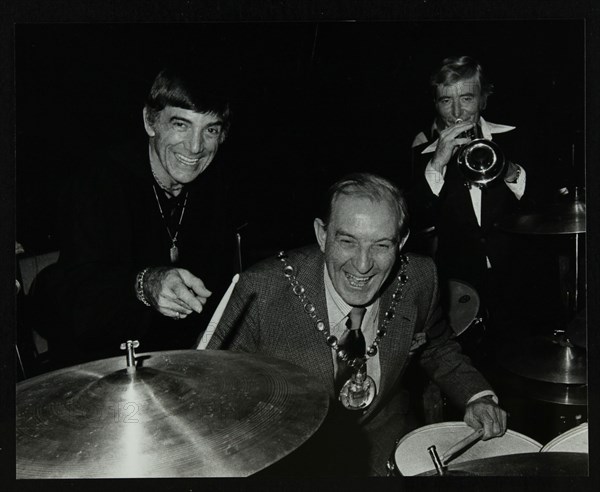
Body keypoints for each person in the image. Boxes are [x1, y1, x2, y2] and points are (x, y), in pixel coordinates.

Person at [204, 172, 507, 477]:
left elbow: (437, 346)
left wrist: (477, 396)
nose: (363, 265)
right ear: (322, 235)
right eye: (348, 241)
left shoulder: (420, 276)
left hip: (389, 450)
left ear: (401, 241)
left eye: (381, 246)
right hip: (292, 462)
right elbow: (209, 395)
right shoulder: (259, 291)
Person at [40, 67, 235, 367]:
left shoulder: (214, 186)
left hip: (176, 363)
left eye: (210, 129)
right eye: (181, 124)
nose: (196, 147)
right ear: (150, 121)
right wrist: (145, 285)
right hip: (95, 366)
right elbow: (81, 302)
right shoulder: (98, 183)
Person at [408, 55, 535, 353]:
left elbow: (548, 208)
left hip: (519, 277)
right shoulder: (422, 155)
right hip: (459, 285)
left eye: (466, 98)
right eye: (445, 101)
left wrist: (508, 170)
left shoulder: (517, 138)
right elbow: (413, 220)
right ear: (436, 104)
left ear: (483, 100)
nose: (456, 112)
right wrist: (437, 162)